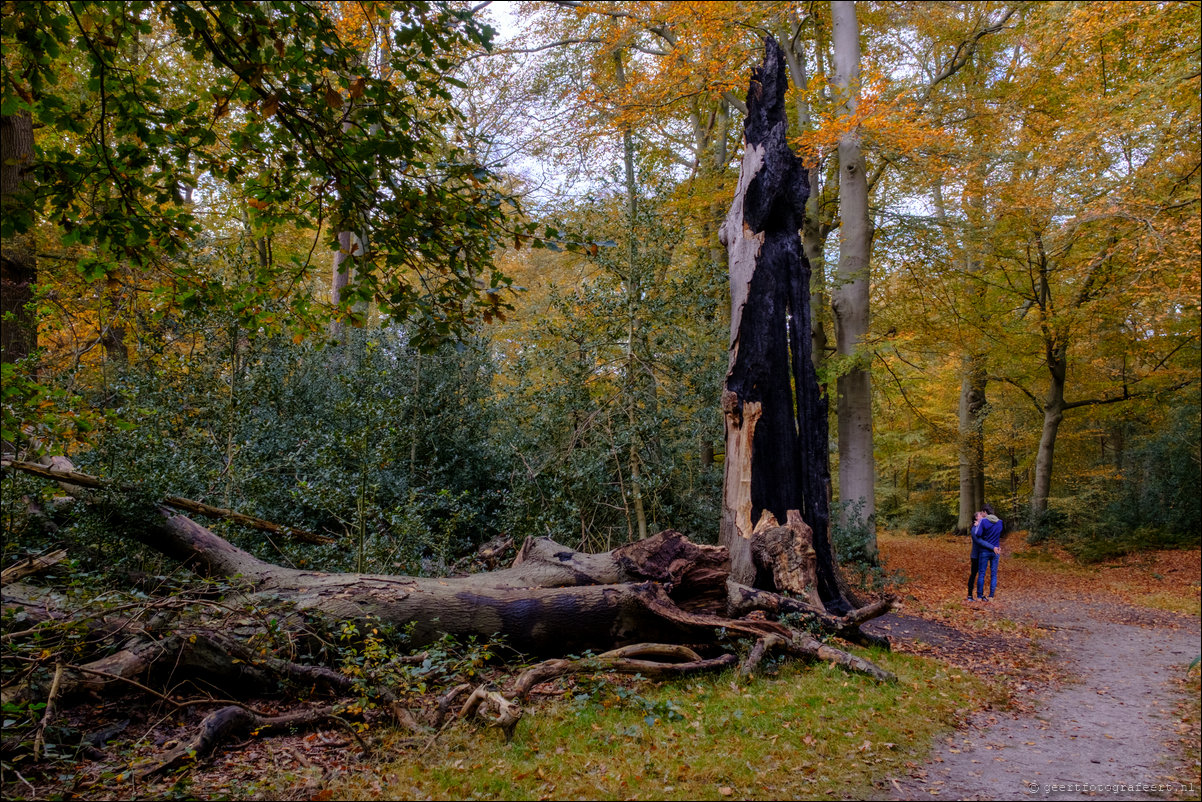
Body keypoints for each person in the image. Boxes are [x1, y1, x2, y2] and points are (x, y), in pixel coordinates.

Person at [971, 503, 1003, 601]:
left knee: (982, 574)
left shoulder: (984, 521)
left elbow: (978, 534)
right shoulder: (1000, 522)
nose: (982, 514)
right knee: (994, 574)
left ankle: (980, 596)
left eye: (982, 512)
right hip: (996, 551)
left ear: (985, 512)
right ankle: (991, 596)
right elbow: (999, 534)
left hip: (984, 551)